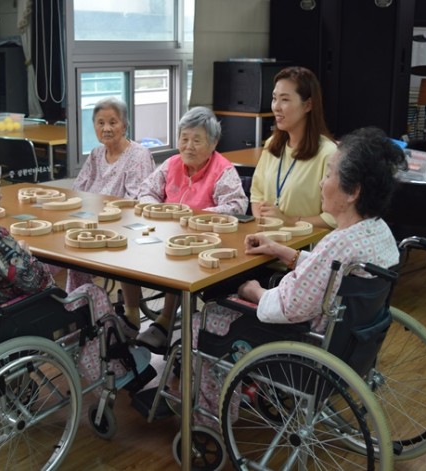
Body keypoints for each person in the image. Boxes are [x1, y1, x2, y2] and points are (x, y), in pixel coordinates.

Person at [195, 127, 406, 418]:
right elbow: (328, 274)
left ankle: (209, 418)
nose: (321, 182)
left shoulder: (336, 244)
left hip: (304, 349)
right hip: (351, 346)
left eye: (329, 174)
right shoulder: (377, 231)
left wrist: (252, 291)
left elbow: (285, 307)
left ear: (353, 191)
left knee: (202, 321)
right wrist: (283, 252)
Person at [0, 140, 142, 384]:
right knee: (92, 293)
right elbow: (41, 282)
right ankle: (114, 373)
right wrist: (25, 255)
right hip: (7, 323)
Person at [135, 106, 249, 352]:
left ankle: (165, 321)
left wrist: (196, 217)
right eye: (184, 138)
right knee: (129, 254)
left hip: (205, 243)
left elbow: (236, 205)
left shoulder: (222, 169)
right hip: (166, 234)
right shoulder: (171, 164)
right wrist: (158, 210)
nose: (188, 146)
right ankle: (130, 317)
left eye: (197, 140)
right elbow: (146, 190)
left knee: (179, 262)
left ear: (213, 143)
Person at [67, 97, 156, 331]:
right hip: (92, 225)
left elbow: (134, 202)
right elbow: (78, 190)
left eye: (113, 122)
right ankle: (80, 312)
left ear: (124, 125)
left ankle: (127, 313)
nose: (106, 128)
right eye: (100, 123)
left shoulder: (139, 155)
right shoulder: (96, 154)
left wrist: (95, 214)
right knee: (67, 251)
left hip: (123, 227)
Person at [250, 66, 337, 228]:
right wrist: (264, 222)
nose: (276, 107)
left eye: (285, 100)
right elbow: (257, 194)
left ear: (308, 105)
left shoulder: (328, 153)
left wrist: (289, 222)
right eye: (274, 98)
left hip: (307, 242)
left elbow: (334, 218)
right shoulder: (272, 144)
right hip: (269, 236)